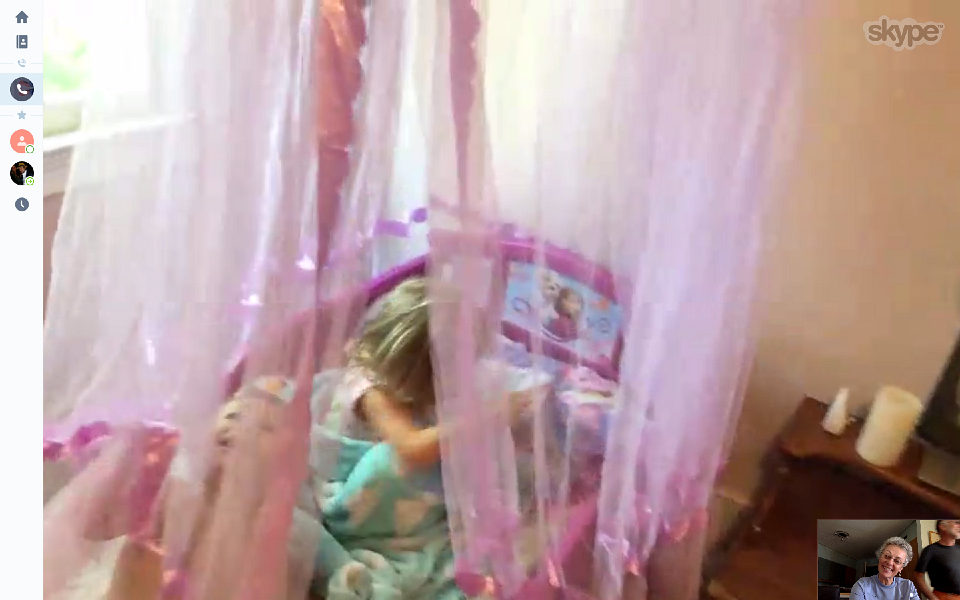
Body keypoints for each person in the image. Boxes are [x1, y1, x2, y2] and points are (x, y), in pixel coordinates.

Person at [58, 378, 308, 600]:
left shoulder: (280, 528)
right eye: (233, 417)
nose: (240, 429)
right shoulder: (174, 491)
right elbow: (100, 529)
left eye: (264, 428)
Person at [850, 537, 920, 600]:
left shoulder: (908, 586)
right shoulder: (862, 585)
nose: (890, 563)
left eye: (897, 561)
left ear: (901, 568)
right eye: (887, 556)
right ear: (880, 558)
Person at [914, 520, 960, 600]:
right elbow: (917, 576)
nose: (959, 525)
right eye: (956, 522)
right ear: (943, 526)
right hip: (943, 597)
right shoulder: (930, 550)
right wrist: (932, 598)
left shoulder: (959, 549)